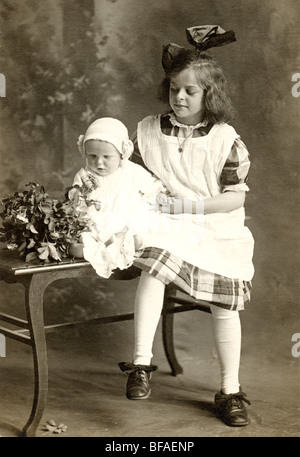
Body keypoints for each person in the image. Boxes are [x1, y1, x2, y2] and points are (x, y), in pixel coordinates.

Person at [118, 25, 255, 427]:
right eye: (175, 88)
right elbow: (132, 178)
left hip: (215, 224)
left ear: (208, 95)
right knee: (156, 267)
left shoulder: (225, 139)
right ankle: (140, 365)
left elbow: (236, 197)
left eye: (190, 91)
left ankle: (230, 390)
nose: (179, 97)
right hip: (165, 223)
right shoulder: (147, 131)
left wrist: (190, 206)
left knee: (225, 303)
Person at [72, 117, 167, 278]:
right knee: (82, 239)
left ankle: (128, 244)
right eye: (92, 156)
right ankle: (89, 248)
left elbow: (151, 186)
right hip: (96, 222)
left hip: (123, 219)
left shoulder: (131, 171)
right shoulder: (85, 174)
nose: (99, 163)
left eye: (107, 157)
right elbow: (75, 196)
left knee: (136, 232)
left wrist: (160, 194)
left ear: (122, 153)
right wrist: (79, 192)